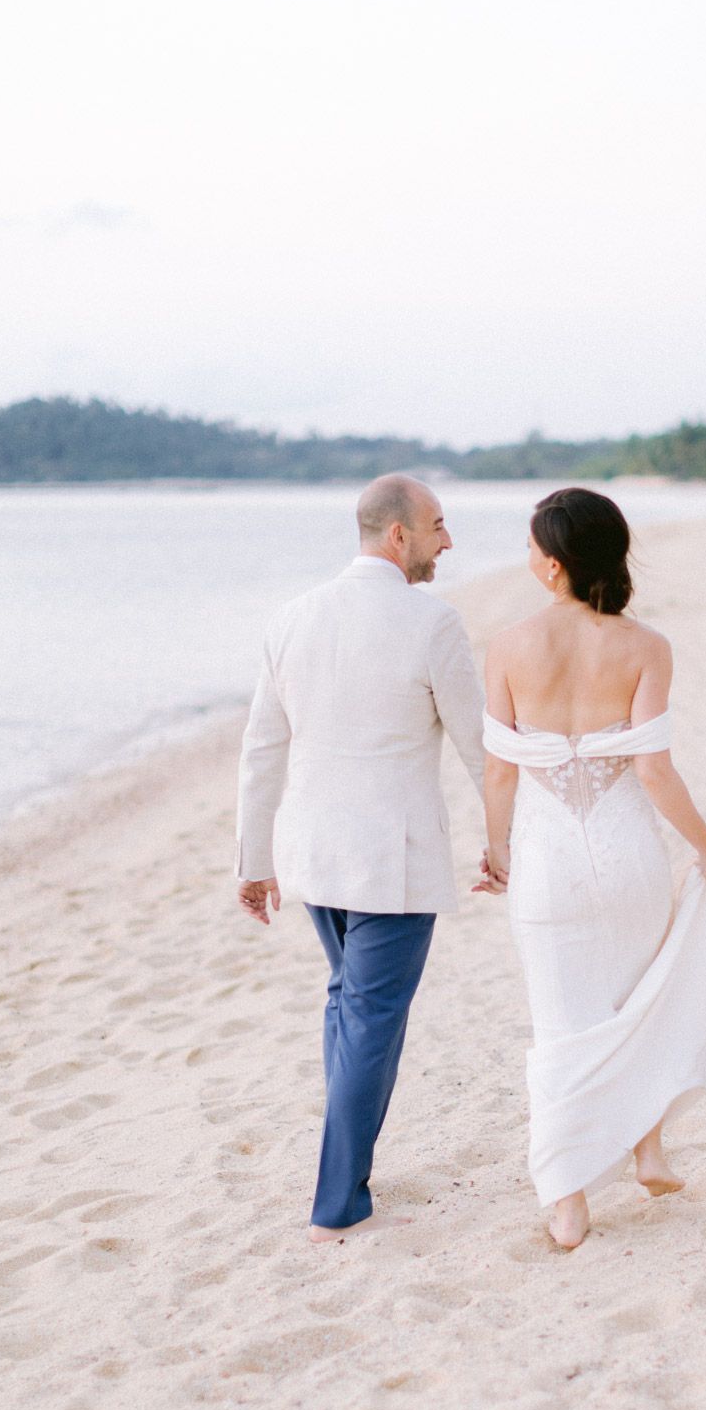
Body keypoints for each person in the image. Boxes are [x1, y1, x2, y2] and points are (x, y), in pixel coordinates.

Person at [475, 488, 706, 1250]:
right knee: (639, 1003)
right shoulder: (646, 647)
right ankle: (649, 1151)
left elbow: (500, 775)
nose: (526, 558)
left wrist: (495, 852)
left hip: (548, 861)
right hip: (627, 854)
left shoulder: (506, 646)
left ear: (554, 562)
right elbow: (655, 772)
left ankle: (566, 1201)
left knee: (563, 1023)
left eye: (531, 547)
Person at [236, 474, 487, 1242]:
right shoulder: (432, 623)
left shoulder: (292, 617)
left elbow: (261, 750)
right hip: (393, 861)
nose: (448, 541)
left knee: (351, 1007)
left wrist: (253, 858)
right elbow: (482, 749)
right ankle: (337, 1201)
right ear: (397, 535)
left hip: (315, 854)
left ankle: (357, 1171)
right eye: (438, 526)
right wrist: (509, 836)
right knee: (370, 1017)